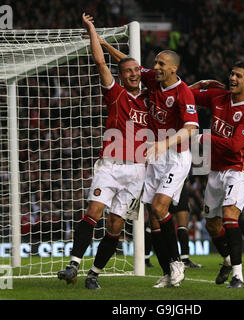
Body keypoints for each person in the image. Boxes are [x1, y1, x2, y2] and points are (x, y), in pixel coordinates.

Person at [98, 40, 199, 288]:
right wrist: (104, 44)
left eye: (161, 64)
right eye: (155, 63)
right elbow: (127, 63)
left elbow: (191, 129)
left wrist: (165, 143)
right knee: (153, 218)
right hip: (155, 156)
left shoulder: (182, 91)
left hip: (176, 154)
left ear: (174, 68)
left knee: (159, 206)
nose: (155, 67)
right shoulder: (153, 79)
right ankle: (167, 272)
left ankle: (177, 262)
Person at [57, 13, 148, 290]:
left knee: (115, 226)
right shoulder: (116, 93)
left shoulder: (152, 99)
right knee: (93, 210)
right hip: (110, 164)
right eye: (128, 71)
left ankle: (94, 273)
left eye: (137, 70)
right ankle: (73, 264)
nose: (133, 74)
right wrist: (92, 30)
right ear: (121, 76)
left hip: (137, 171)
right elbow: (99, 61)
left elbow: (177, 87)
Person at [190, 61, 244, 288]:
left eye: (238, 76)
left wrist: (205, 138)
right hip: (215, 170)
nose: (232, 78)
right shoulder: (218, 97)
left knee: (230, 215)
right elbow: (184, 96)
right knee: (211, 224)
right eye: (231, 74)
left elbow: (235, 145)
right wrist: (199, 84)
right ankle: (228, 259)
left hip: (238, 170)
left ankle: (238, 276)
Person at [145, 182, 203, 268]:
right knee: (155, 219)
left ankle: (184, 259)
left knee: (182, 221)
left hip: (178, 182)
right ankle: (145, 258)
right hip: (162, 181)